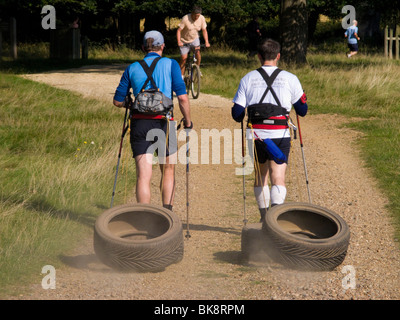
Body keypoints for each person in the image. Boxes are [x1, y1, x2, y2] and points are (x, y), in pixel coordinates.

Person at [113, 30, 192, 211]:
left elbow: (117, 101)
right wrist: (188, 122)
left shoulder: (132, 68)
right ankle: (167, 214)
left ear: (143, 47)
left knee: (143, 175)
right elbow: (183, 98)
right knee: (168, 170)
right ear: (163, 46)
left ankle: (144, 218)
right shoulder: (171, 64)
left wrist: (132, 104)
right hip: (165, 123)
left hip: (140, 124)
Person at [231, 38, 308, 222]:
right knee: (278, 177)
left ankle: (264, 218)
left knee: (260, 177)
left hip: (256, 135)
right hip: (280, 134)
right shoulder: (291, 78)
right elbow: (303, 111)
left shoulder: (247, 78)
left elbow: (237, 113)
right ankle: (275, 221)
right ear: (278, 56)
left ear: (259, 56)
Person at [177, 5, 210, 76]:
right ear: (192, 13)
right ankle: (181, 77)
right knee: (183, 58)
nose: (196, 17)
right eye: (195, 15)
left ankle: (197, 68)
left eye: (198, 16)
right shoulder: (185, 18)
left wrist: (206, 41)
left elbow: (204, 30)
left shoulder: (202, 18)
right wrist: (179, 41)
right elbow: (179, 31)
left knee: (197, 52)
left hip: (195, 38)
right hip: (184, 40)